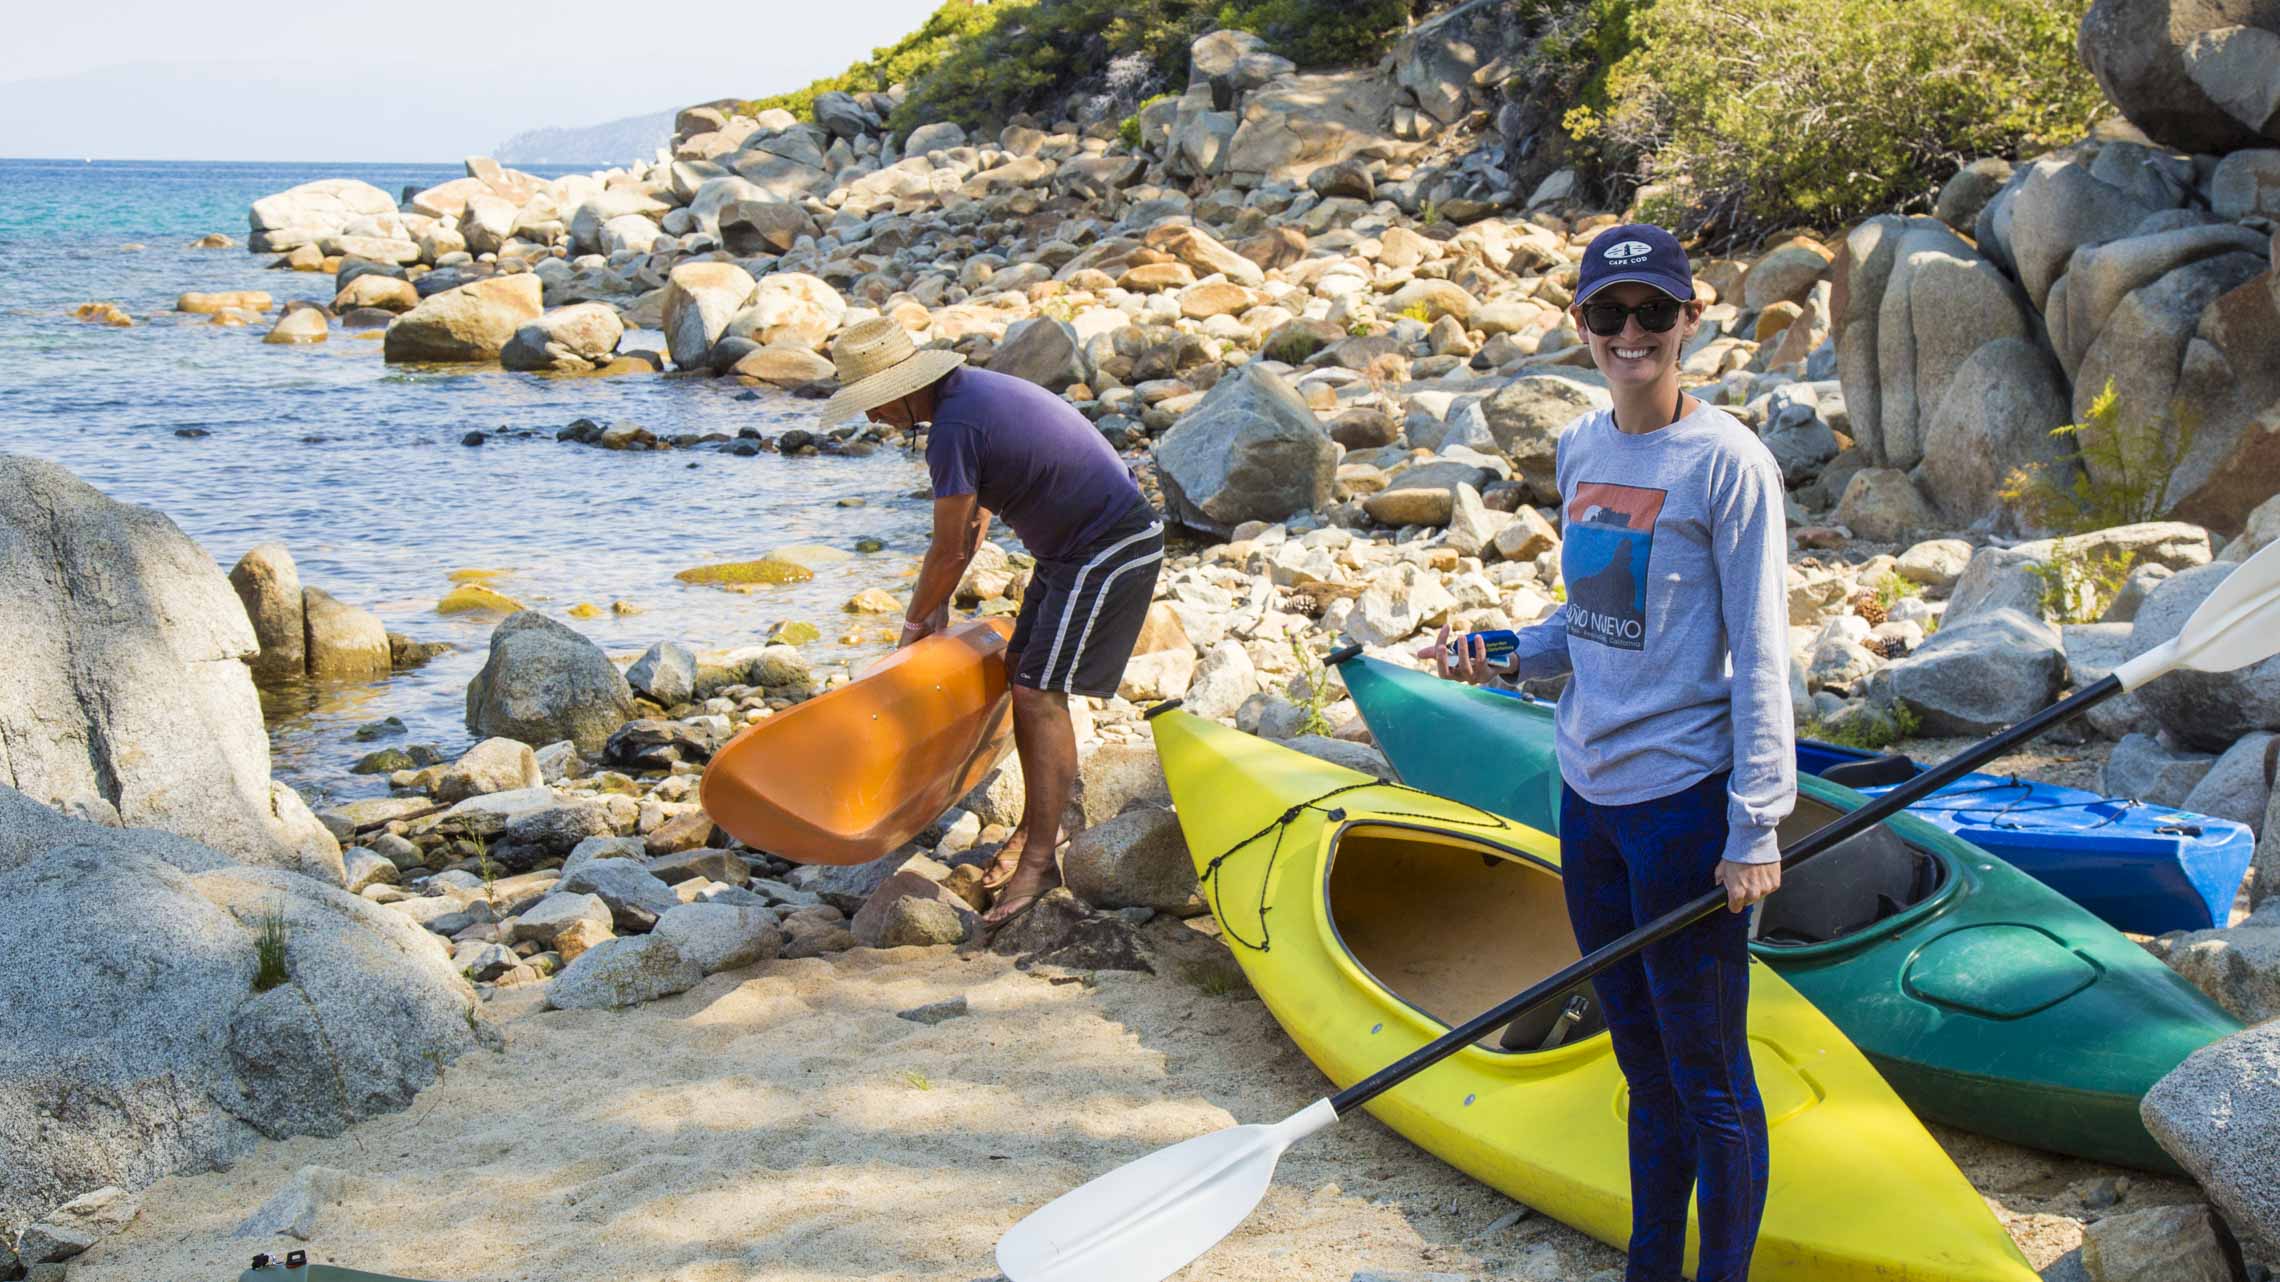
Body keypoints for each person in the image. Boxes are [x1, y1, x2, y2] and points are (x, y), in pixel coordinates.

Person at [1420, 223, 1793, 1282]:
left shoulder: (1729, 465)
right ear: (1579, 322)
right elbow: (1592, 613)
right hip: (1588, 800)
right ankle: (1649, 1268)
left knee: (1708, 1074)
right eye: (1610, 313)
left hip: (1684, 809)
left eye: (1654, 312)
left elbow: (1764, 651)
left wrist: (1756, 822)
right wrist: (1509, 652)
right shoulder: (1584, 447)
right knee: (1641, 1060)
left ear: (1691, 319)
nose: (1633, 333)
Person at [819, 319, 1164, 927]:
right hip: (1072, 549)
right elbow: (973, 522)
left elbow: (948, 547)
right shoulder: (967, 394)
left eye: (872, 405)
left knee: (1038, 693)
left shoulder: (952, 427)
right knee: (1023, 673)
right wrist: (939, 607)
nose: (871, 419)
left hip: (1109, 546)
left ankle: (1039, 859)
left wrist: (915, 621)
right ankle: (1040, 827)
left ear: (901, 388)